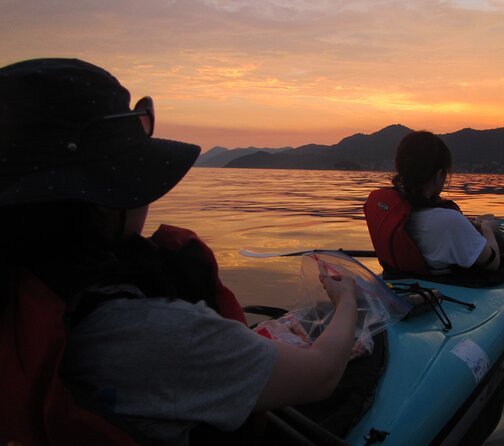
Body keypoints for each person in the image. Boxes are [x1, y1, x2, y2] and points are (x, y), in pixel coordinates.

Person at [0, 58, 358, 445]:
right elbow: (321, 374)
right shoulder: (152, 334)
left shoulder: (23, 294)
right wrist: (347, 300)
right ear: (104, 201)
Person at [366, 130, 500, 276]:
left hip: (397, 283)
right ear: (439, 175)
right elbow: (492, 262)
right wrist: (487, 229)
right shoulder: (449, 221)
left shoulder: (387, 209)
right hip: (441, 292)